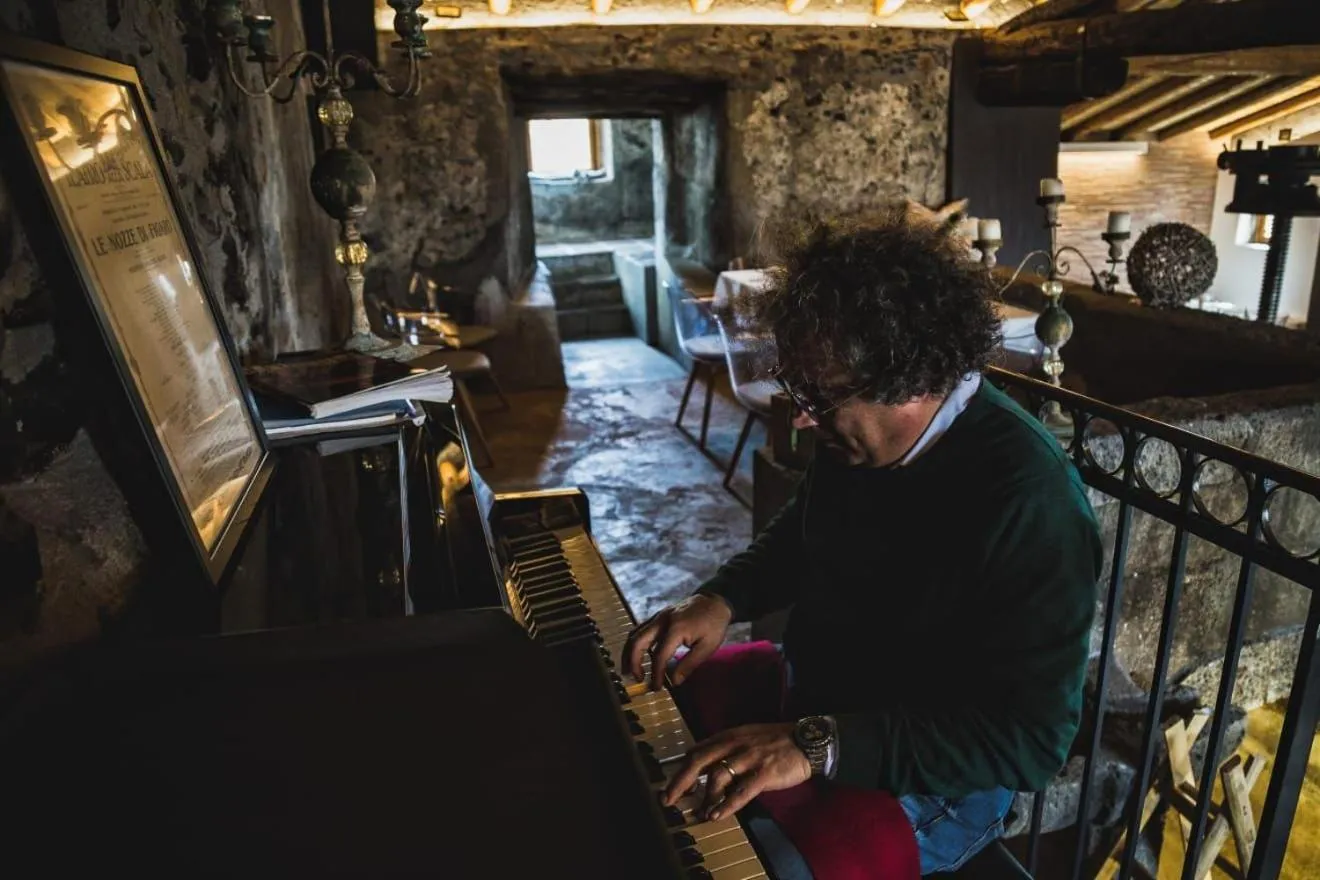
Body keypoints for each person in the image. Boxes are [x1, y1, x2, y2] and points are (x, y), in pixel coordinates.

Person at [624, 210, 1103, 876]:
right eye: (800, 388)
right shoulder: (860, 444)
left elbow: (1030, 744)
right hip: (821, 702)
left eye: (819, 394)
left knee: (763, 864)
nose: (801, 414)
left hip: (934, 783)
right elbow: (805, 533)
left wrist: (815, 746)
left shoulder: (1031, 502)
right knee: (644, 717)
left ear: (908, 379)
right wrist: (722, 599)